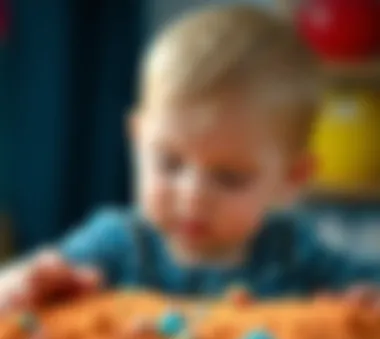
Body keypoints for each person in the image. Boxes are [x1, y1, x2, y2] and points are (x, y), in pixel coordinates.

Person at [2, 4, 379, 311]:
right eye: (170, 163)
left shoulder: (293, 251)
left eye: (229, 177)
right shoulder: (115, 244)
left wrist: (363, 301)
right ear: (137, 139)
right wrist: (25, 286)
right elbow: (19, 289)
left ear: (292, 179)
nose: (192, 194)